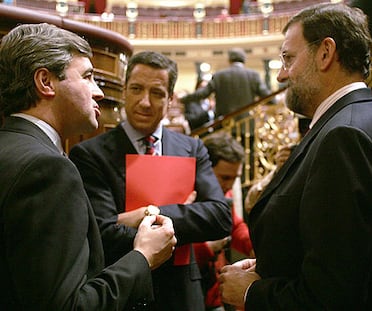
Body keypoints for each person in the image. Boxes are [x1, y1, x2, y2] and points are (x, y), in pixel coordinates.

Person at [218, 3, 372, 310]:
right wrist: (273, 266)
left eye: (288, 59)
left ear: (325, 53)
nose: (281, 75)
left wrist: (251, 294)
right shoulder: (359, 118)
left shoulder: (344, 136)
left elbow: (332, 296)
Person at [0, 23, 177, 310]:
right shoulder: (46, 168)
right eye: (88, 77)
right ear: (45, 82)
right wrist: (143, 257)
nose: (99, 92)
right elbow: (68, 306)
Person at [69, 50, 232, 311]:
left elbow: (220, 217)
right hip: (124, 292)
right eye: (136, 89)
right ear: (124, 91)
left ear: (170, 99)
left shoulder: (192, 148)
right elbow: (101, 232)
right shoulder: (90, 154)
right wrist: (186, 212)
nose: (145, 102)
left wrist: (146, 214)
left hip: (183, 293)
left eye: (156, 93)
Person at [193, 132, 253, 311]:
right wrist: (208, 248)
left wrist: (253, 245)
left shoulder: (223, 195)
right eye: (225, 178)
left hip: (214, 293)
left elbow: (235, 227)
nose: (229, 185)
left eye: (235, 178)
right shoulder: (185, 194)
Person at [180, 48, 273, 118]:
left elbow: (203, 93)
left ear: (229, 60)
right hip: (246, 125)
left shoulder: (219, 75)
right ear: (244, 60)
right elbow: (267, 96)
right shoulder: (253, 75)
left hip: (224, 123)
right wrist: (274, 101)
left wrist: (183, 99)